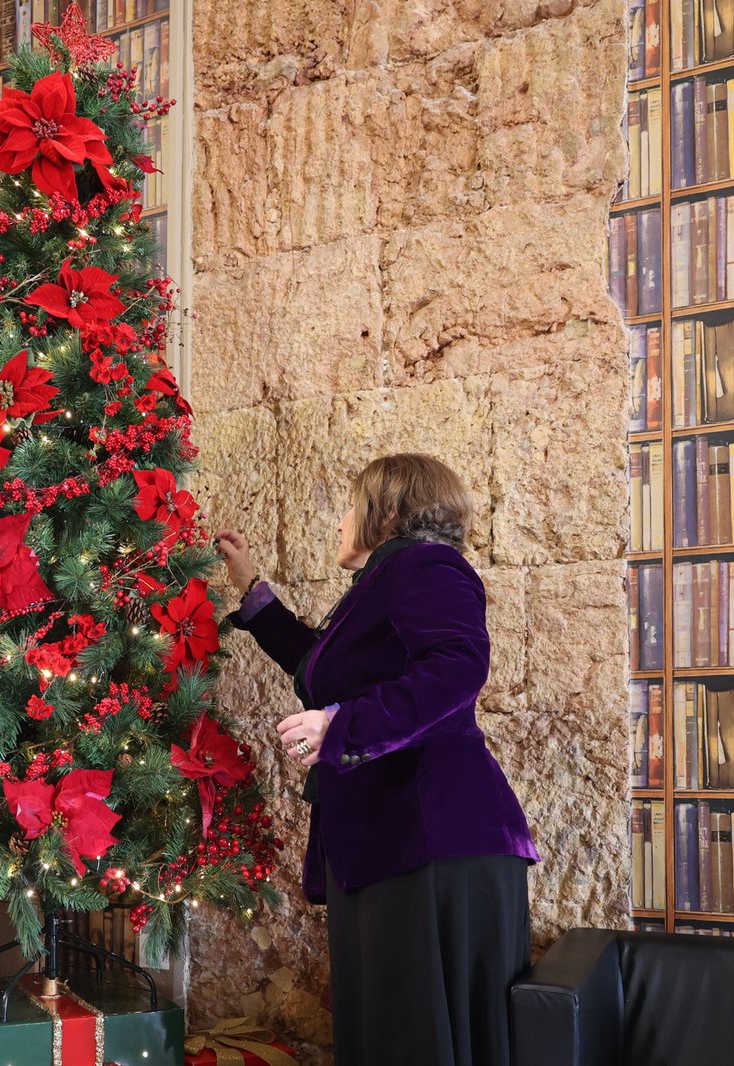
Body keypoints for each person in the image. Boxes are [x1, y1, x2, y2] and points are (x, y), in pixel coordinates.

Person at [215, 453, 539, 1066]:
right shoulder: (384, 585)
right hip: (397, 838)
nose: (339, 522)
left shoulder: (428, 565)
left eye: (349, 506)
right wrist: (253, 593)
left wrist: (341, 726)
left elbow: (457, 667)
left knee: (413, 1039)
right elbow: (324, 667)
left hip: (430, 836)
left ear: (386, 512)